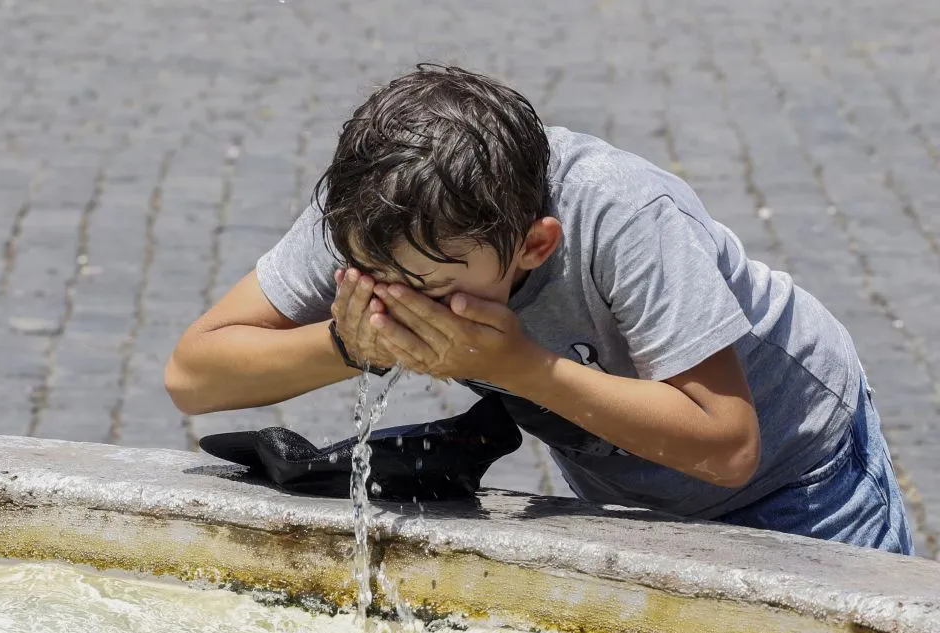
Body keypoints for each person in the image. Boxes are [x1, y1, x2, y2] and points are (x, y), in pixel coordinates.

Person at [164, 64, 914, 555]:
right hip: (631, 488)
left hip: (801, 476)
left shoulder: (625, 215)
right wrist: (348, 343)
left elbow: (727, 445)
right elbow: (193, 377)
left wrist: (521, 367)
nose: (395, 298)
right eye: (370, 272)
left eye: (425, 286)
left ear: (532, 246)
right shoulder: (383, 214)